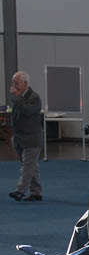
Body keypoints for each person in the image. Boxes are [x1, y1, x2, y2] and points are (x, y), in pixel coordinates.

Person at [7, 71, 44, 202]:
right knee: (31, 166)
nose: (13, 85)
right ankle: (36, 192)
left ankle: (20, 191)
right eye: (13, 82)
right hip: (19, 138)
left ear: (25, 84)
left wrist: (17, 98)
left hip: (32, 138)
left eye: (16, 82)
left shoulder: (34, 98)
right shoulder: (18, 98)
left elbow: (27, 111)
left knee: (27, 167)